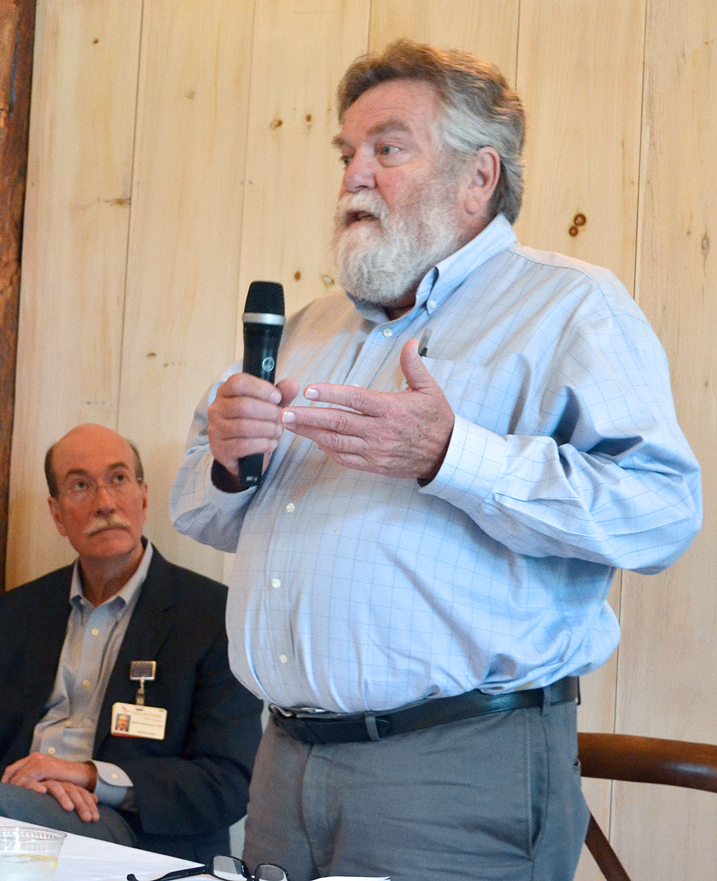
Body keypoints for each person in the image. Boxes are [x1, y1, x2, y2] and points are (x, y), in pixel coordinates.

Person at [169, 40, 702, 881]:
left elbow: (660, 513)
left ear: (477, 177)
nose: (353, 176)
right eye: (348, 154)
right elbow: (203, 514)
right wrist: (230, 460)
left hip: (452, 769)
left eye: (388, 148)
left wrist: (454, 454)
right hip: (282, 763)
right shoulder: (311, 328)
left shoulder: (568, 307)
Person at [0, 423, 263, 862]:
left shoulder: (213, 615)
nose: (104, 503)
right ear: (57, 514)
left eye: (118, 479)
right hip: (11, 810)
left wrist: (87, 777)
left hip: (138, 834)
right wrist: (36, 785)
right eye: (80, 485)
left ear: (142, 496)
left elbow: (229, 782)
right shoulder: (11, 615)